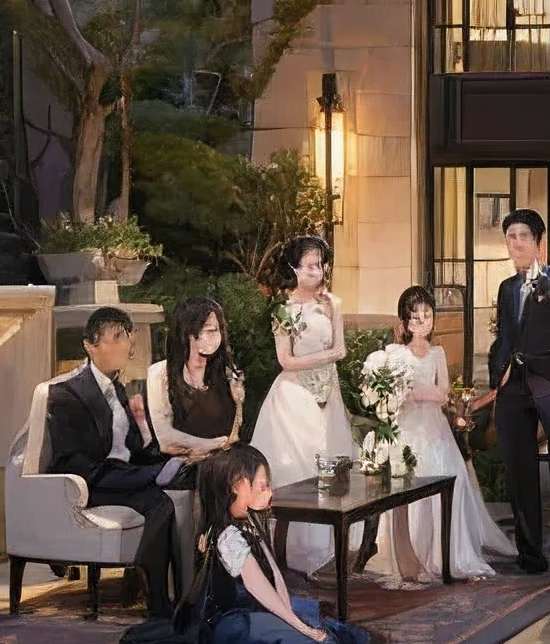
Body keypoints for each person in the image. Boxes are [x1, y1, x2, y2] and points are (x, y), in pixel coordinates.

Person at [132, 444, 371, 644]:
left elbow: (274, 575)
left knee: (327, 636)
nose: (269, 493)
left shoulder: (250, 523)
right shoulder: (227, 537)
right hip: (234, 623)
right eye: (262, 486)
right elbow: (259, 588)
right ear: (237, 486)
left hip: (254, 611)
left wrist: (294, 618)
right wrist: (301, 628)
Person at [366, 287, 515, 584]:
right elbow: (389, 394)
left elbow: (443, 391)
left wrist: (420, 393)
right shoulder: (395, 354)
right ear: (405, 322)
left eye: (427, 315)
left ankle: (442, 551)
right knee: (406, 483)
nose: (422, 321)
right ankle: (408, 552)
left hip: (433, 429)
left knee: (448, 480)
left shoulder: (437, 353)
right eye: (415, 316)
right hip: (406, 429)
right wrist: (400, 395)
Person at [44, 307, 184, 619]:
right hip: (91, 481)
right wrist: (150, 470)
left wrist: (151, 438)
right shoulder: (67, 392)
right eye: (116, 338)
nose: (126, 345)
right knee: (160, 487)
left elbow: (131, 448)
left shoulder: (117, 387)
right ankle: (159, 604)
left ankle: (173, 598)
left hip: (122, 475)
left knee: (165, 501)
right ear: (89, 345)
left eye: (127, 337)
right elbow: (76, 463)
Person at [474, 208, 550, 580]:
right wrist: (497, 377)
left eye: (523, 236)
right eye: (510, 237)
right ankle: (530, 554)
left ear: (540, 243)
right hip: (514, 388)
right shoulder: (507, 289)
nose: (516, 243)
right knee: (519, 470)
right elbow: (504, 338)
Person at [250, 236, 362, 575]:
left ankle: (329, 546)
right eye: (310, 265)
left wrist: (325, 356)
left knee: (333, 466)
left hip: (328, 391)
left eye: (320, 264)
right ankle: (292, 549)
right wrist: (325, 357)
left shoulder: (332, 304)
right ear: (294, 269)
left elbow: (342, 348)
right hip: (294, 395)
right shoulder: (284, 311)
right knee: (298, 469)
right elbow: (285, 360)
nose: (317, 271)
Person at [136, 296, 245, 479]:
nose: (214, 336)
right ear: (187, 333)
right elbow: (165, 438)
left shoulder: (228, 375)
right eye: (208, 330)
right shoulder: (160, 374)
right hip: (181, 469)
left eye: (216, 330)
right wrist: (213, 445)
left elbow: (234, 436)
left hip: (224, 468)